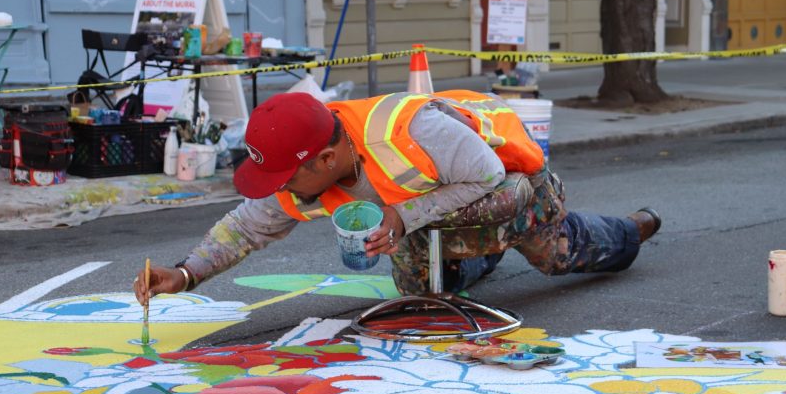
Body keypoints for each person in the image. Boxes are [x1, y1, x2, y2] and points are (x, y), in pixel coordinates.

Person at [133, 90, 660, 304]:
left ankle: (629, 229)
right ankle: (476, 257)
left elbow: (488, 174)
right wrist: (183, 275)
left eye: (285, 179)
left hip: (509, 192)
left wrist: (403, 215)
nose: (280, 190)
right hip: (428, 222)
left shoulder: (413, 130)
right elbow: (246, 226)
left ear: (324, 160)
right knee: (422, 294)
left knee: (556, 256)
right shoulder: (302, 172)